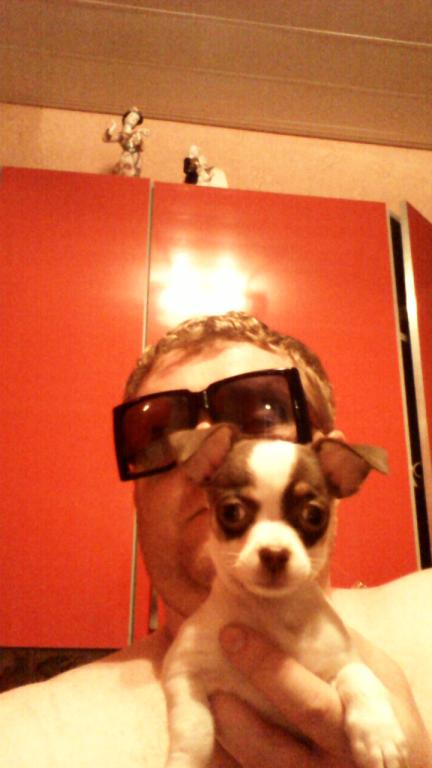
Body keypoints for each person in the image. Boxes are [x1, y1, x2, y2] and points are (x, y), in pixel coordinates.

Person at [1, 311, 431, 768]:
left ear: (333, 459)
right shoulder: (24, 735)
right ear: (136, 495)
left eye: (260, 413)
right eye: (162, 434)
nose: (208, 443)